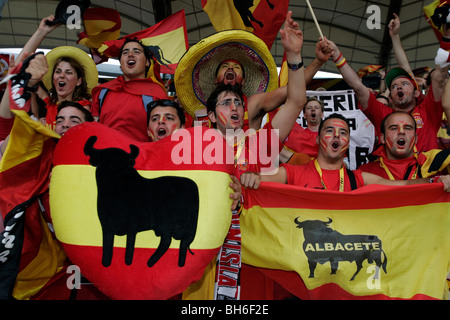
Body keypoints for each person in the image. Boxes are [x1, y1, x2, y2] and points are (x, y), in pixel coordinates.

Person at [175, 23, 331, 131]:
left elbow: (292, 91)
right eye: (225, 67)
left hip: (248, 175)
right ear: (215, 79)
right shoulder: (199, 115)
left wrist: (317, 62)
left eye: (236, 67)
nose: (231, 68)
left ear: (243, 81)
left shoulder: (254, 104)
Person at [240, 113, 450, 192]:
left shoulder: (359, 178)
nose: (336, 136)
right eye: (329, 131)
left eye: (343, 133)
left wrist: (436, 182)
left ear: (348, 142)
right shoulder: (292, 172)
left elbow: (402, 185)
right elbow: (260, 178)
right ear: (317, 139)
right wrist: (250, 177)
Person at [323, 31, 449, 152]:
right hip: (388, 173)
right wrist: (336, 55)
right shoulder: (382, 114)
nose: (399, 87)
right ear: (391, 97)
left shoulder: (428, 111)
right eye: (394, 86)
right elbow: (358, 86)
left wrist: (447, 36)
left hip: (426, 173)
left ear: (417, 93)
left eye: (404, 84)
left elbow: (439, 78)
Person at [15, 16, 97, 130]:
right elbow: (18, 70)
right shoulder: (47, 103)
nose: (62, 75)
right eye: (58, 71)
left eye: (68, 72)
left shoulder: (83, 106)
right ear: (53, 77)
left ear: (79, 81)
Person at [91, 38, 169, 142]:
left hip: (141, 156)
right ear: (120, 63)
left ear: (147, 62)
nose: (130, 55)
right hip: (105, 156)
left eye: (136, 52)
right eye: (125, 52)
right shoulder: (102, 92)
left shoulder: (157, 94)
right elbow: (93, 128)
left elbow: (164, 137)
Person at [359, 111, 449, 180]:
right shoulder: (365, 172)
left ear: (416, 138)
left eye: (407, 128)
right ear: (382, 138)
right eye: (394, 128)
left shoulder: (435, 164)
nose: (401, 131)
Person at [279, 96, 324, 165]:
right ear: (304, 115)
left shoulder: (329, 136)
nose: (313, 110)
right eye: (309, 108)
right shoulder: (293, 134)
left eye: (316, 108)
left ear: (322, 114)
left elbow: (345, 162)